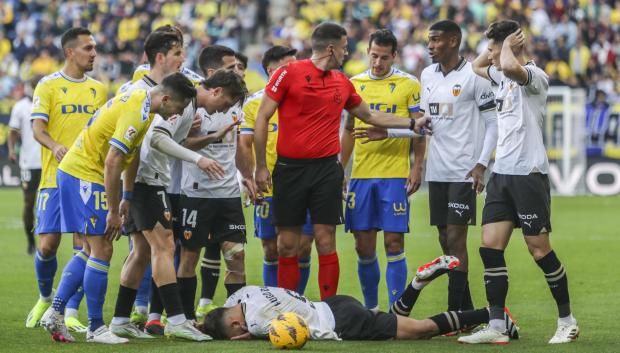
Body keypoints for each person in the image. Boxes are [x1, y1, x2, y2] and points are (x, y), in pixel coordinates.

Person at [254, 22, 430, 299]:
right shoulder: (288, 72)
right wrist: (261, 165)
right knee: (287, 244)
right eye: (345, 48)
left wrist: (412, 122)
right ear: (331, 48)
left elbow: (370, 116)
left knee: (326, 241)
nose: (348, 53)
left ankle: (328, 309)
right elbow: (262, 116)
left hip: (326, 170)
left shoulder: (342, 82)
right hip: (290, 169)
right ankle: (286, 309)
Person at [39, 73, 196, 344]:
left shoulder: (145, 108)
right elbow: (113, 161)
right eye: (178, 109)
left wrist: (127, 195)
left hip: (80, 174)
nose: (177, 115)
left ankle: (54, 313)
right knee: (103, 248)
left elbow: (129, 156)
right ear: (167, 98)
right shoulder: (138, 110)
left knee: (91, 250)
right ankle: (96, 327)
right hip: (84, 175)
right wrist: (112, 210)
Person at [461, 20, 579, 344]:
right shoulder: (500, 74)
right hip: (502, 175)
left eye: (494, 48)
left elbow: (510, 64)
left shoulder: (534, 78)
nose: (490, 55)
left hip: (529, 174)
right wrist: (497, 49)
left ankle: (567, 321)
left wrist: (509, 48)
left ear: (511, 48)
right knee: (490, 246)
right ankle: (497, 326)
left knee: (539, 250)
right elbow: (476, 65)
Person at [199, 255, 518, 342]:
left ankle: (493, 315)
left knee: (420, 330)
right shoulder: (244, 294)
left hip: (343, 323)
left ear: (238, 323)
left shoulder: (253, 323)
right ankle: (417, 284)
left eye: (234, 332)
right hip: (336, 303)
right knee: (395, 328)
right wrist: (204, 323)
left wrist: (240, 337)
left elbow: (251, 333)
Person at [27, 27, 107, 333]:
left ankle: (71, 309)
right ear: (70, 52)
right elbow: (37, 129)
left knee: (85, 244)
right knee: (47, 245)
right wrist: (54, 145)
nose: (94, 53)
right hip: (53, 177)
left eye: (94, 47)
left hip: (87, 177)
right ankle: (45, 297)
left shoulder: (99, 90)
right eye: (88, 48)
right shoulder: (48, 86)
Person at [339, 29, 425, 310]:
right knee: (363, 246)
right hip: (362, 176)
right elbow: (349, 130)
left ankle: (395, 312)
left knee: (393, 244)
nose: (377, 63)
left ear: (394, 56)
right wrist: (341, 168)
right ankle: (372, 309)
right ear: (368, 52)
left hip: (394, 174)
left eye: (384, 58)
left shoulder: (408, 84)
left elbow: (420, 129)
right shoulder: (354, 84)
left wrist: (417, 166)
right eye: (374, 56)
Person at [177, 45, 250, 321]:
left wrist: (247, 177)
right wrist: (213, 135)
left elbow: (237, 145)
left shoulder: (236, 99)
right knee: (189, 257)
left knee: (237, 256)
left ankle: (236, 318)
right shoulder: (192, 103)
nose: (237, 70)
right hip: (196, 193)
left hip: (229, 194)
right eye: (230, 67)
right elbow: (180, 144)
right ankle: (185, 319)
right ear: (214, 73)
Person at [238, 45, 315, 295]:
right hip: (268, 185)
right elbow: (245, 144)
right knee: (271, 249)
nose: (295, 70)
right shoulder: (253, 104)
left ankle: (297, 301)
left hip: (305, 183)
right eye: (288, 66)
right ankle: (274, 303)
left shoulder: (308, 97)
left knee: (303, 247)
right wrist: (248, 177)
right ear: (271, 70)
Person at [8, 78, 41, 255]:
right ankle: (31, 242)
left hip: (51, 162)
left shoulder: (52, 102)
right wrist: (12, 149)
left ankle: (48, 241)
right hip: (29, 163)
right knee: (29, 203)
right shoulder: (20, 106)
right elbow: (13, 131)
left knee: (54, 203)